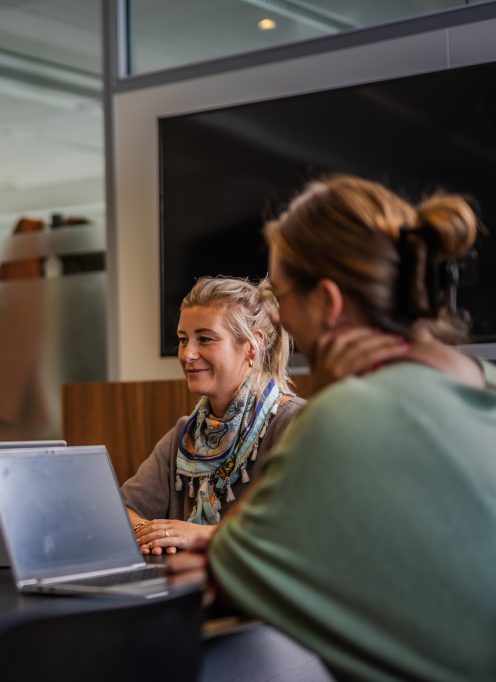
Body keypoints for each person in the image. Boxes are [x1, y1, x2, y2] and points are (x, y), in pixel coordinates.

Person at [200, 175, 496, 681]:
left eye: (281, 297)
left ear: (328, 304)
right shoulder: (485, 384)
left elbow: (227, 571)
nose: (278, 318)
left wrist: (334, 394)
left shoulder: (345, 416)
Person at [120, 276, 305, 555]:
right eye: (183, 340)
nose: (187, 354)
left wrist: (200, 535)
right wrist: (152, 535)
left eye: (205, 339)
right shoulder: (184, 435)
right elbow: (122, 509)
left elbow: (299, 533)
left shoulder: (297, 424)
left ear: (252, 345)